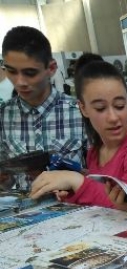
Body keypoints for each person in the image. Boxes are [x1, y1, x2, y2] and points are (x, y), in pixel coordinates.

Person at [29, 60, 127, 209]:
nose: (113, 117)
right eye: (100, 108)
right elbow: (101, 204)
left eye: (119, 106)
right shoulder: (95, 151)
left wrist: (77, 182)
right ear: (83, 109)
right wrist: (70, 191)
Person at [0, 26, 86, 187]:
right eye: (11, 71)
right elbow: (7, 183)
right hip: (25, 209)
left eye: (30, 73)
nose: (20, 82)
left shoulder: (79, 112)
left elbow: (98, 176)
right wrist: (4, 179)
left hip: (76, 207)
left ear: (51, 68)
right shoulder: (3, 117)